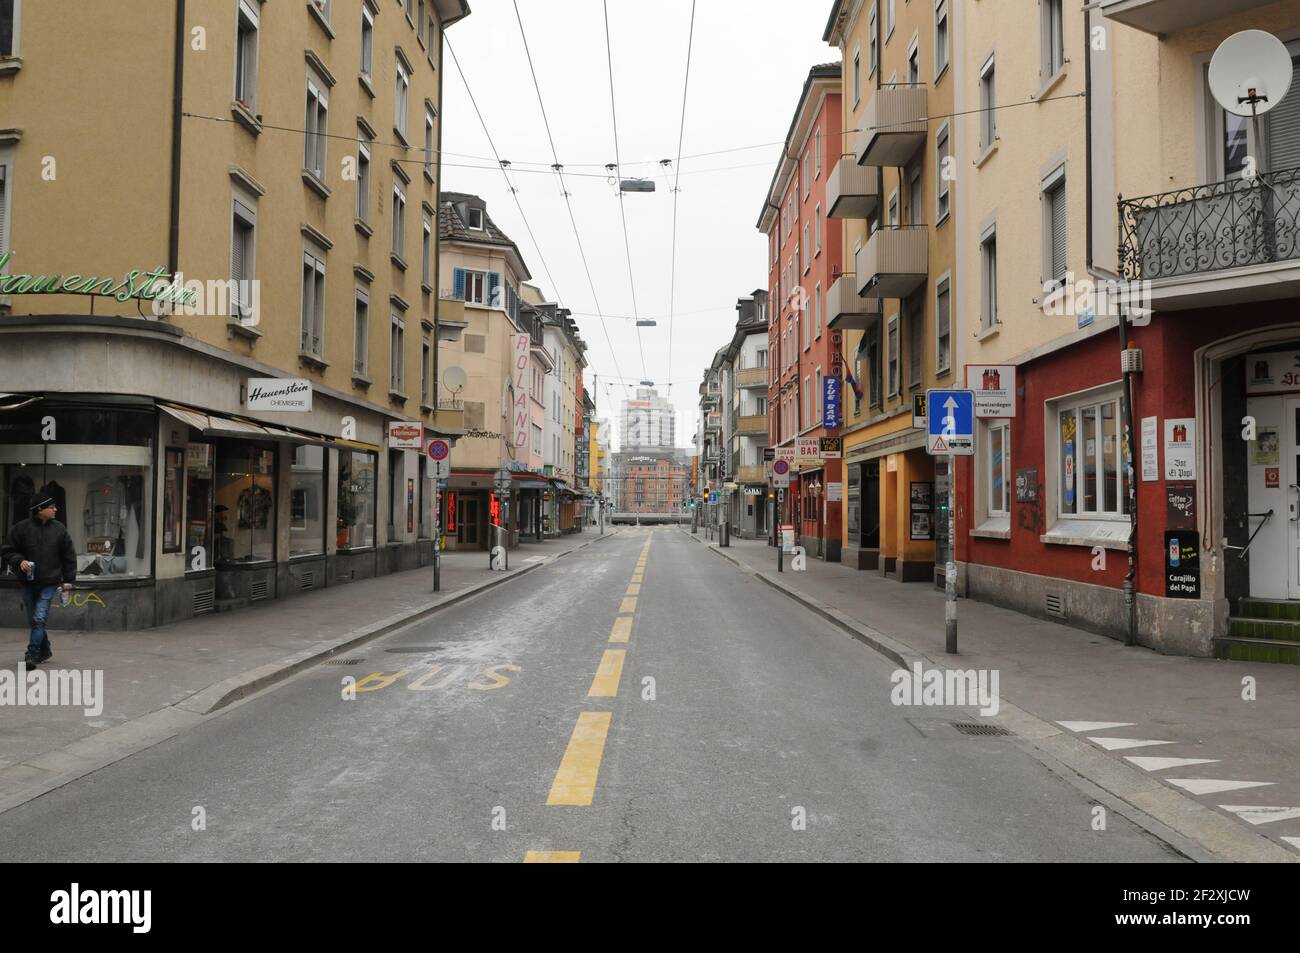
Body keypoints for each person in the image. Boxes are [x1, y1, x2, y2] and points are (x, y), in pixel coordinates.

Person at [1, 494, 77, 666]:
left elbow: (69, 556)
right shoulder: (21, 528)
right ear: (40, 510)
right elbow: (7, 550)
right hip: (28, 582)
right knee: (34, 620)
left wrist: (68, 580)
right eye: (52, 507)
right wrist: (20, 561)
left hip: (49, 582)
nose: (56, 509)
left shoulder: (59, 529)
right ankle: (45, 649)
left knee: (39, 619)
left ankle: (32, 654)